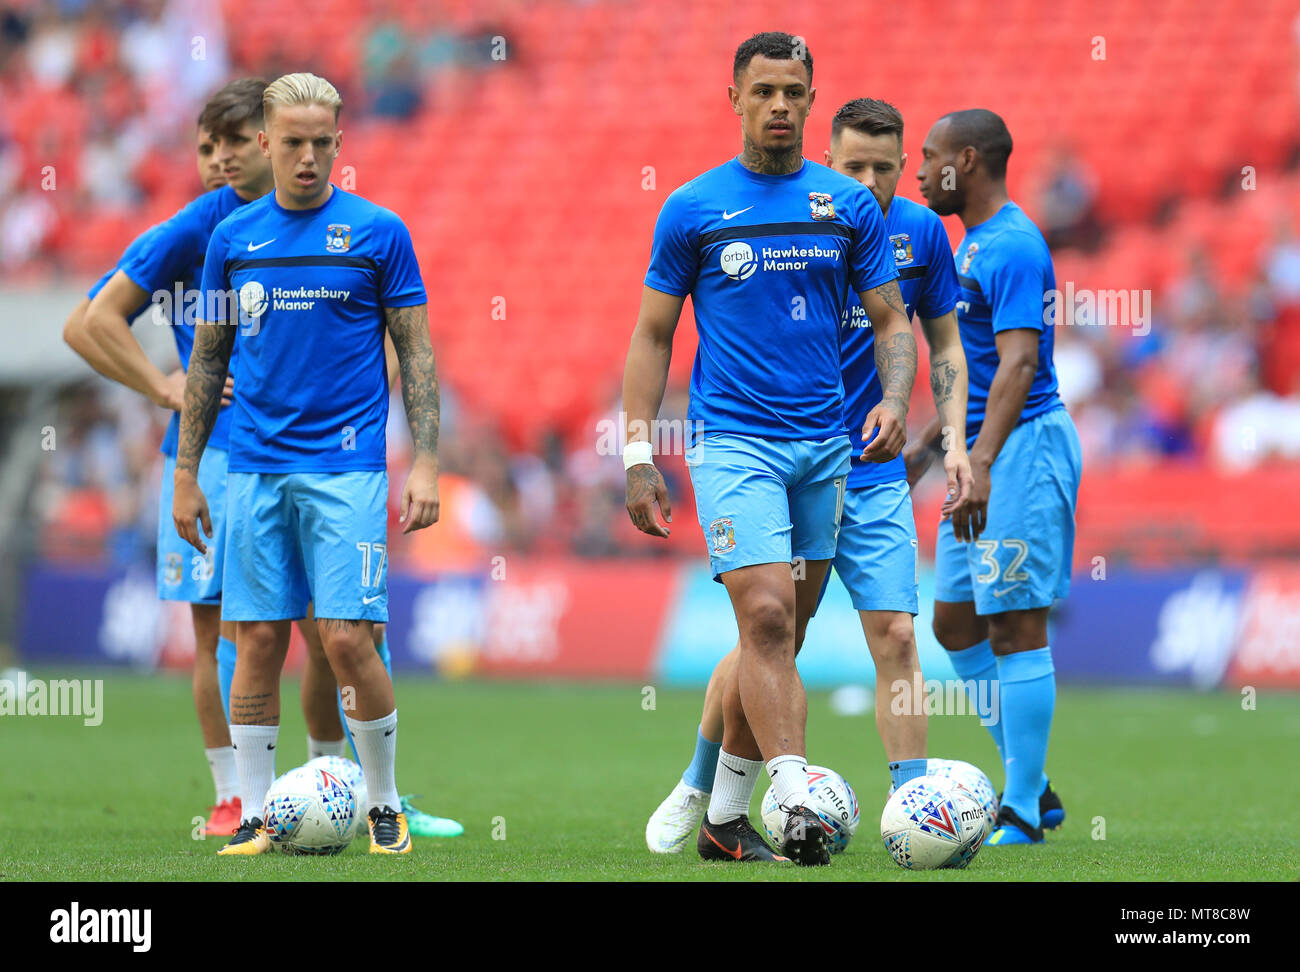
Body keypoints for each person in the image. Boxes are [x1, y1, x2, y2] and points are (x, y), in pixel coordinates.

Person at [645, 97, 974, 855]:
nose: (869, 180)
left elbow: (944, 344)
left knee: (895, 632)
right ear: (827, 161)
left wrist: (951, 439)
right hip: (794, 453)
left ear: (905, 170)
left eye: (884, 168)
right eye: (853, 165)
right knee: (771, 633)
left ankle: (911, 808)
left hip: (877, 467)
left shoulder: (921, 236)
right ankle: (703, 786)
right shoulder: (809, 223)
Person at [175, 72, 441, 855]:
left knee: (348, 639)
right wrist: (189, 471)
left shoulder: (377, 232)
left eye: (323, 143)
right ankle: (256, 818)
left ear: (339, 142)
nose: (308, 158)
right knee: (254, 638)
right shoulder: (234, 240)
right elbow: (208, 357)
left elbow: (416, 351)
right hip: (254, 465)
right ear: (265, 141)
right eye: (292, 142)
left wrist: (426, 462)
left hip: (346, 466)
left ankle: (383, 803)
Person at [911, 108, 1082, 845]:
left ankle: (1018, 809)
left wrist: (978, 463)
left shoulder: (1011, 245)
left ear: (967, 161)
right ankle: (1034, 784)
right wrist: (931, 448)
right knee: (954, 621)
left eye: (928, 157)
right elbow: (975, 371)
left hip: (1020, 450)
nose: (918, 173)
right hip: (976, 448)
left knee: (1015, 622)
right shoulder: (972, 245)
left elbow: (1018, 364)